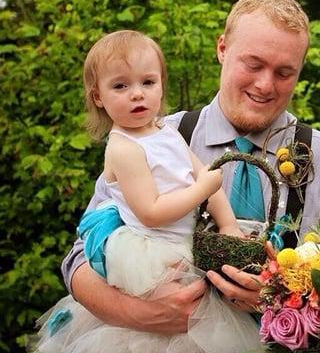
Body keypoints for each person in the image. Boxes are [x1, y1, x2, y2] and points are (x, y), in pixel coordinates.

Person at [60, 0, 320, 334]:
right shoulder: (153, 138)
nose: (265, 84)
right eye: (253, 65)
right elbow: (79, 259)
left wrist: (284, 298)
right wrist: (141, 314)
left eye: (284, 72)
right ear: (222, 49)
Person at [36, 30, 261, 352]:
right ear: (98, 96)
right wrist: (202, 189)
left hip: (181, 245)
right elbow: (151, 212)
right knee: (160, 336)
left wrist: (227, 225)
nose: (137, 95)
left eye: (148, 82)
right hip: (150, 253)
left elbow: (203, 175)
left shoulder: (164, 130)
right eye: (120, 86)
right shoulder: (123, 148)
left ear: (161, 84)